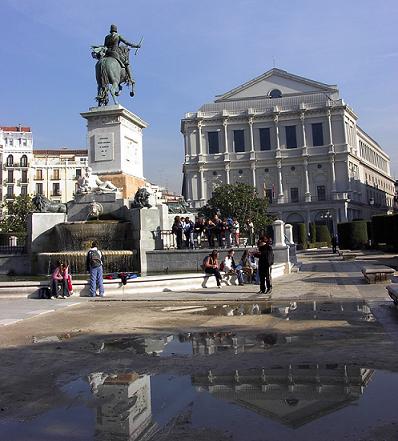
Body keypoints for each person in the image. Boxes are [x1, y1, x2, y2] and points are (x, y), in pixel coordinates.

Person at [103, 24, 141, 90]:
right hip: (115, 52)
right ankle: (131, 78)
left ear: (110, 30)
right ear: (116, 30)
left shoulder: (107, 37)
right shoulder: (118, 36)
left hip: (107, 53)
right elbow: (126, 42)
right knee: (126, 63)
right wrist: (136, 46)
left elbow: (104, 46)